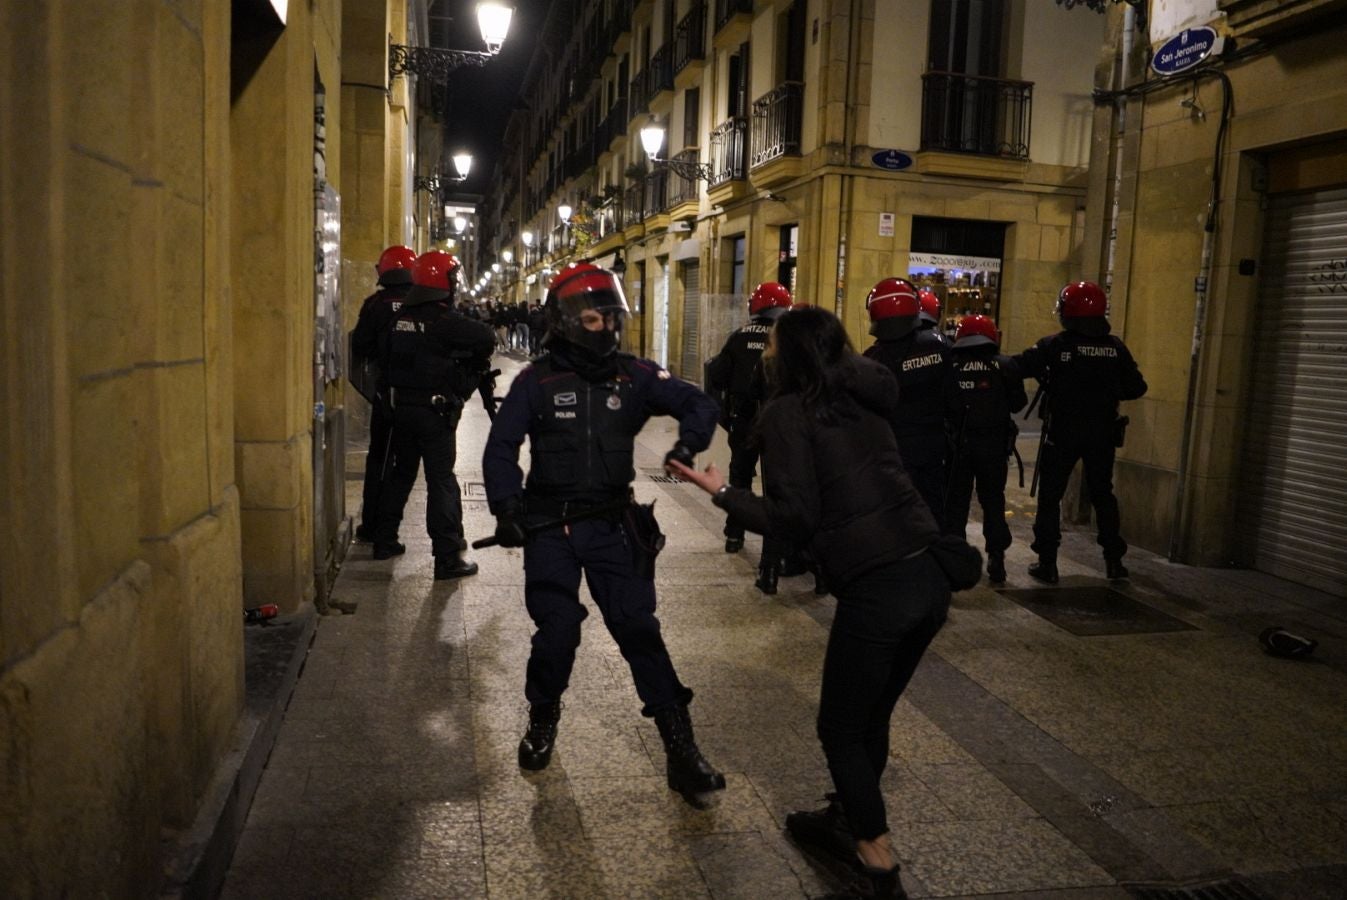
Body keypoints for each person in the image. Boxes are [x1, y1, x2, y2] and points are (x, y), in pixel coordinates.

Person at [670, 306, 948, 899]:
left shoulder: (789, 414)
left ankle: (877, 862)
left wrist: (722, 493)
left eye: (773, 344)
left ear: (789, 353)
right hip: (926, 575)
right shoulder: (866, 395)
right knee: (872, 715)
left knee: (840, 729)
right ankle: (847, 816)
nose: (766, 352)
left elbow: (794, 519)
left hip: (878, 590)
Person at [481, 262, 726, 804]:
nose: (606, 328)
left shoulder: (634, 376)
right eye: (594, 318)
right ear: (567, 322)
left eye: (611, 317)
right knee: (557, 631)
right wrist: (506, 508)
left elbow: (698, 402)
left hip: (614, 526)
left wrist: (687, 445)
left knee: (639, 628)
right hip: (552, 527)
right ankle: (543, 716)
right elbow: (501, 448)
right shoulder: (535, 381)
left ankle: (681, 750)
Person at [1014, 281, 1148, 583]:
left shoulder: (1055, 345)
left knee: (1050, 498)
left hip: (1062, 432)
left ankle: (1047, 563)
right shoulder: (1115, 348)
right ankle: (1114, 561)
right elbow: (1137, 387)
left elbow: (1018, 366)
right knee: (1103, 495)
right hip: (1101, 433)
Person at [372, 250, 495, 580]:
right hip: (433, 412)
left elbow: (383, 360)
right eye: (452, 279)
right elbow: (486, 337)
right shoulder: (443, 321)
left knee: (401, 475)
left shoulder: (400, 318)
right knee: (440, 480)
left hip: (402, 411)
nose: (455, 285)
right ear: (441, 282)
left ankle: (384, 540)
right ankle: (447, 557)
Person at [703, 281, 791, 574]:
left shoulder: (738, 337)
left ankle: (734, 534)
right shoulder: (788, 338)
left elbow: (716, 374)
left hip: (744, 421)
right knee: (779, 482)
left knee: (739, 477)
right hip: (780, 424)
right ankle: (781, 545)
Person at [862, 277, 953, 529]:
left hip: (894, 451)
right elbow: (954, 398)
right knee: (934, 509)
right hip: (934, 447)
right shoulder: (941, 347)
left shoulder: (873, 359)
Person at [944, 315, 1027, 584]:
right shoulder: (1004, 365)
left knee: (956, 503)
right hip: (993, 447)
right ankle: (997, 559)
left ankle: (956, 560)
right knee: (993, 501)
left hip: (959, 447)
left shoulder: (951, 366)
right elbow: (1018, 404)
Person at [349, 245, 418, 543]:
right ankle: (390, 531)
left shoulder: (374, 304)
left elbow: (360, 346)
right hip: (416, 398)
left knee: (378, 459)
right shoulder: (420, 305)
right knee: (405, 467)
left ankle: (372, 525)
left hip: (384, 395)